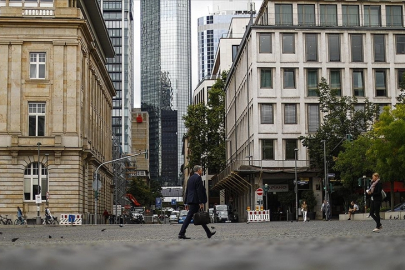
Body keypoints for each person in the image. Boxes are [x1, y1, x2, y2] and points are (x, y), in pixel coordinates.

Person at [178, 165, 216, 239]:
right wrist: (201, 202)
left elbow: (187, 191)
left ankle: (208, 233)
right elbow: (199, 191)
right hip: (195, 200)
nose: (202, 171)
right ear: (198, 170)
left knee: (200, 216)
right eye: (201, 170)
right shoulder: (198, 178)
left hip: (191, 200)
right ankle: (181, 233)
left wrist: (186, 202)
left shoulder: (190, 178)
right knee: (189, 217)